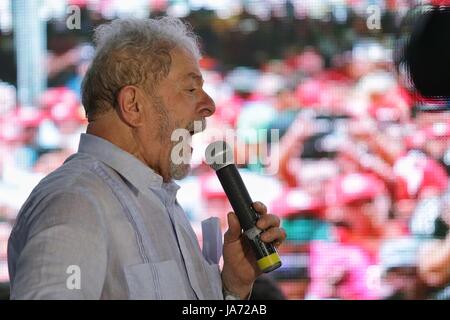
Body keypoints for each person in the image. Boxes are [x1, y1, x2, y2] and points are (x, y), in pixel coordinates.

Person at [7, 17, 286, 299]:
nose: (210, 106)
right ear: (133, 105)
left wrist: (233, 287)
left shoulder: (158, 198)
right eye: (191, 89)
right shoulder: (76, 201)